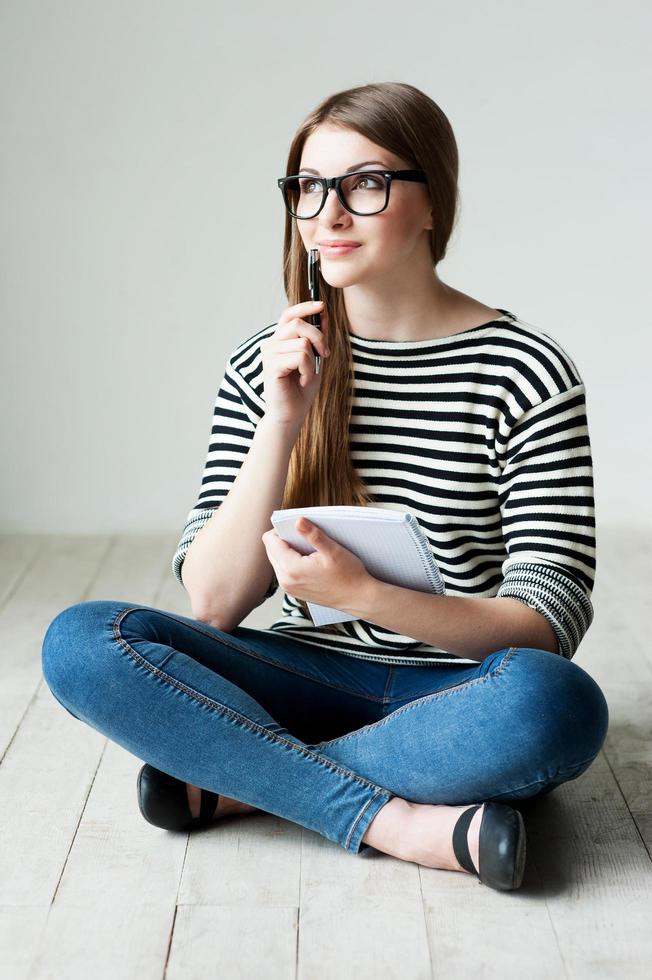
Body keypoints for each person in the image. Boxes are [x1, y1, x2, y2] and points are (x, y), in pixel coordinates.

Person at [41, 82, 609, 892]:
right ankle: (401, 822)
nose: (328, 214)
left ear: (431, 204)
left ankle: (243, 782)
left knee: (557, 704)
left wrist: (366, 594)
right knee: (80, 642)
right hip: (303, 680)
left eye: (365, 184)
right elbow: (212, 601)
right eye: (309, 188)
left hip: (459, 696)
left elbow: (545, 625)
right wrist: (282, 418)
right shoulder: (268, 362)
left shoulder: (525, 370)